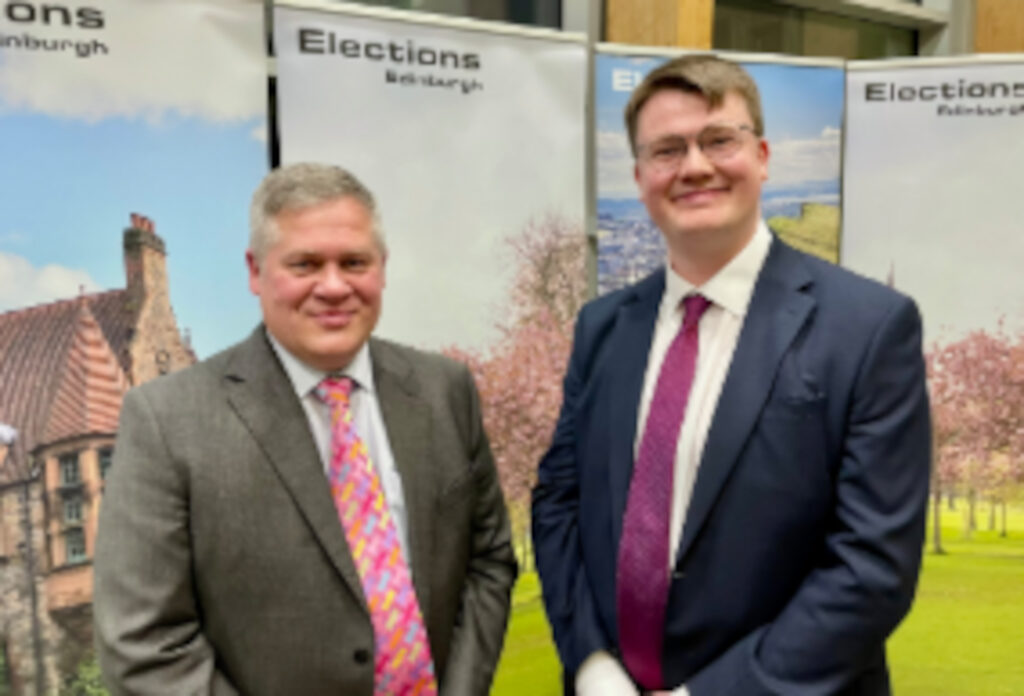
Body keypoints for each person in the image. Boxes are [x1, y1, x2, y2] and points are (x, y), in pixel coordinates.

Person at [532, 55, 930, 696]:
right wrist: (591, 664)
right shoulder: (602, 327)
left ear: (764, 156)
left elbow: (872, 565)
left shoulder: (868, 327)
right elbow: (559, 504)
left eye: (719, 139)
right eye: (667, 149)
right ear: (639, 178)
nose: (694, 166)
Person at [95, 162, 517, 696]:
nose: (334, 286)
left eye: (354, 262)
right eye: (305, 264)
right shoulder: (167, 421)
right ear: (255, 271)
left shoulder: (445, 390)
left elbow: (489, 563)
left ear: (382, 268)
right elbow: (143, 645)